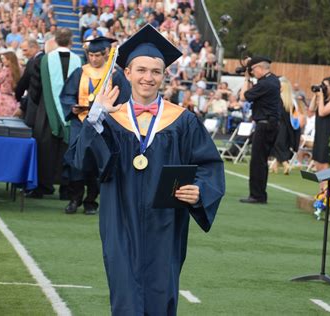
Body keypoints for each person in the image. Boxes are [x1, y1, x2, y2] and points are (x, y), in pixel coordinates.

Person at [68, 24, 225, 314]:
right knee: (125, 292)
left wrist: (200, 189)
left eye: (155, 71)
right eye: (140, 70)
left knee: (161, 291)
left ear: (165, 76)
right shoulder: (109, 119)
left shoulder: (182, 121)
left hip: (166, 222)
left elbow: (209, 165)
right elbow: (81, 161)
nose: (147, 78)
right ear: (126, 73)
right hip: (120, 219)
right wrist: (95, 117)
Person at [60, 37, 131, 215]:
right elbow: (67, 94)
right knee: (77, 160)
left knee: (98, 161)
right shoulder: (80, 72)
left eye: (97, 55)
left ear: (106, 54)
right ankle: (74, 199)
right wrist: (72, 107)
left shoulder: (116, 75)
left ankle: (91, 201)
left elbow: (123, 100)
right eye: (90, 55)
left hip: (104, 125)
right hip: (81, 122)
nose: (93, 59)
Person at [27, 28, 82, 199]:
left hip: (46, 113)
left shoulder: (43, 60)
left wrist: (41, 105)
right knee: (67, 150)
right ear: (71, 41)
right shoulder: (79, 61)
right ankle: (66, 190)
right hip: (72, 113)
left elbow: (34, 90)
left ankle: (44, 186)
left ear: (55, 40)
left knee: (45, 150)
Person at [238, 55, 281, 204]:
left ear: (260, 68)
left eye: (253, 69)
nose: (252, 72)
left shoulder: (266, 84)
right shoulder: (273, 80)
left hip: (264, 125)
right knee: (260, 160)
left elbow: (243, 96)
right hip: (269, 124)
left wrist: (245, 79)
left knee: (257, 161)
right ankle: (259, 194)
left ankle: (257, 195)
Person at [271, 77, 305, 175]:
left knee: (277, 146)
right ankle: (275, 166)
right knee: (281, 146)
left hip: (279, 127)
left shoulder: (278, 99)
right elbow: (295, 117)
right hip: (288, 128)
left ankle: (286, 164)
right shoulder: (292, 101)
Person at [309, 77, 330, 171]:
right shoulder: (323, 99)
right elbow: (311, 109)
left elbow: (322, 112)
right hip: (320, 133)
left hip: (329, 135)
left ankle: (326, 185)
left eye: (326, 86)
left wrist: (320, 97)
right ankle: (322, 185)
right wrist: (316, 94)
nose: (324, 87)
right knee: (317, 162)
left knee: (324, 163)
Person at [14, 38, 44, 127]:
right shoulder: (45, 58)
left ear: (34, 47)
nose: (23, 53)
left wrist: (18, 98)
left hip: (33, 103)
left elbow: (24, 82)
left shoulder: (33, 61)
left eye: (25, 50)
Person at [0, 51, 21, 117]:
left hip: (4, 99)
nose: (2, 61)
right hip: (14, 99)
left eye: (3, 59)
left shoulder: (5, 71)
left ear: (9, 59)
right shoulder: (19, 70)